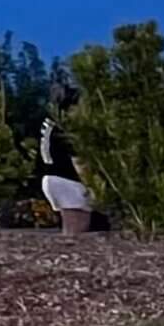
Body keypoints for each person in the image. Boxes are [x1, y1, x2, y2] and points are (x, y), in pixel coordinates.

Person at [38, 88, 94, 235]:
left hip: (52, 177)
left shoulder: (50, 123)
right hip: (68, 180)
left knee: (71, 226)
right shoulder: (67, 127)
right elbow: (78, 160)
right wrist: (92, 187)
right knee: (77, 228)